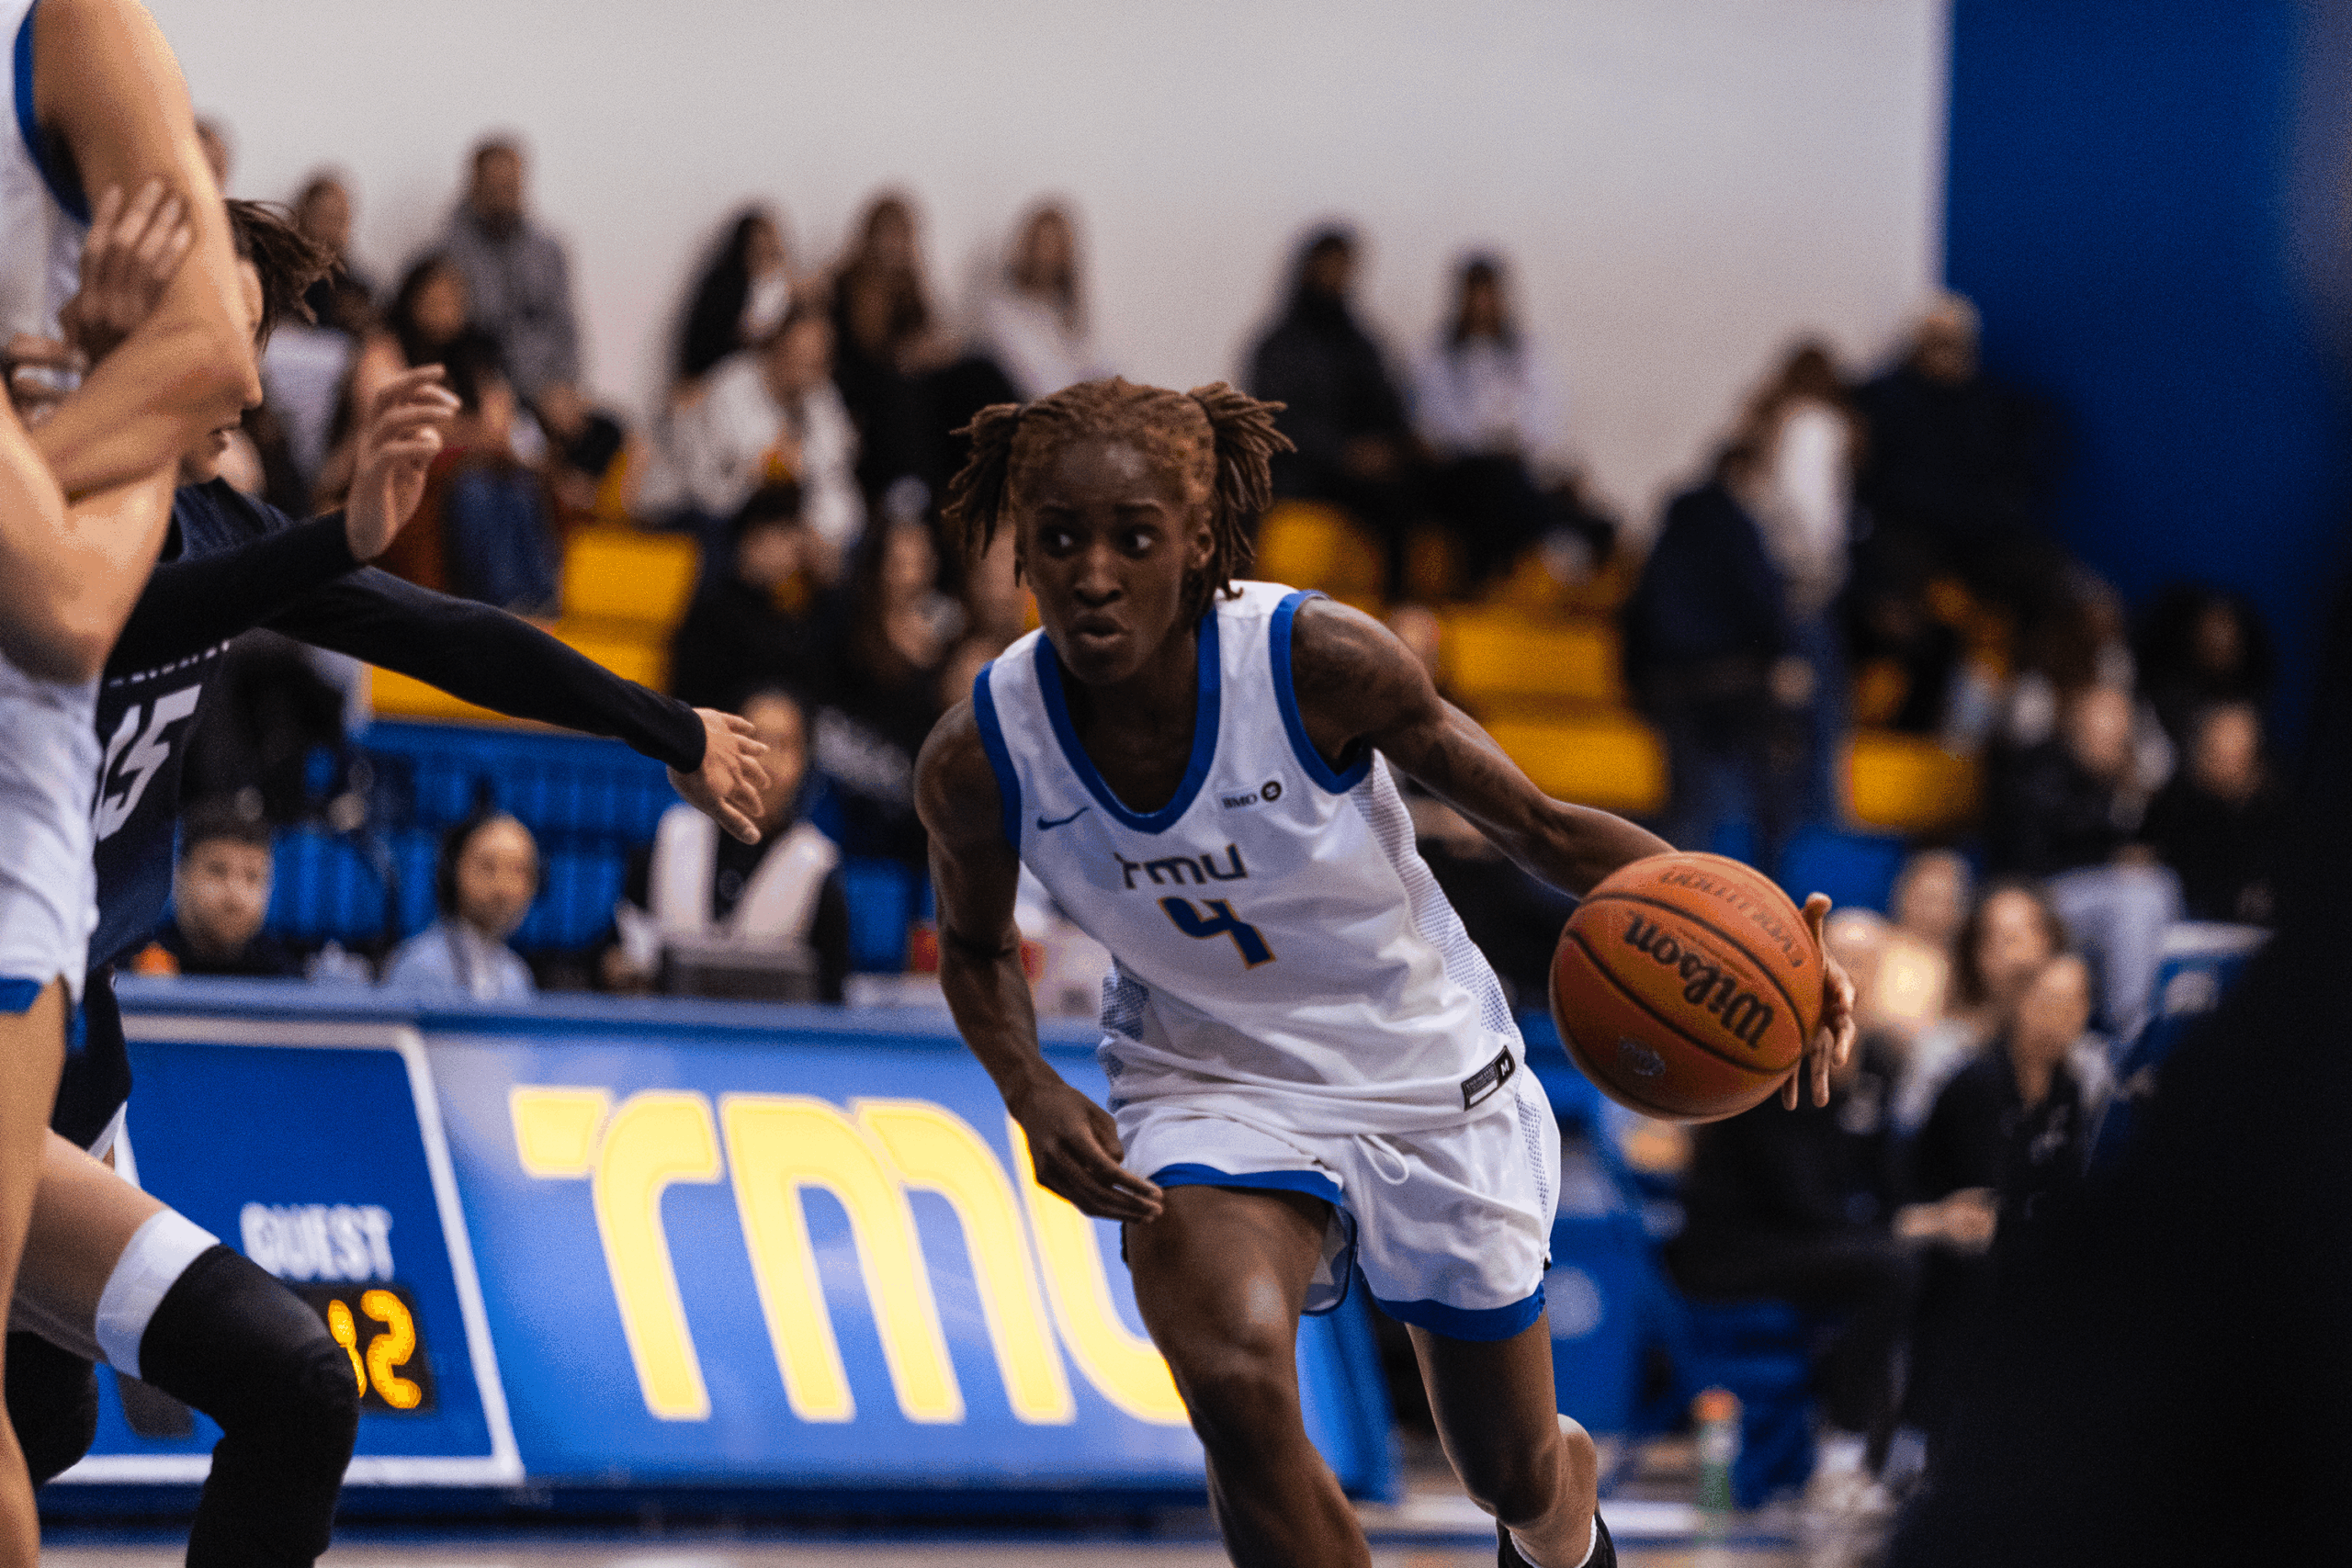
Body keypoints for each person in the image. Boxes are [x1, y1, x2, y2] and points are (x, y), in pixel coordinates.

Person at [916, 375, 1858, 1567]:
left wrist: (1772, 944)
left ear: (1198, 540)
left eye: (1133, 538)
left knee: (1506, 1470)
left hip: (1421, 1059)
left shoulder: (1315, 659)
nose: (1093, 572)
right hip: (1207, 1076)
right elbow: (978, 944)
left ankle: (1556, 1496)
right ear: (1021, 549)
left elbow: (1542, 826)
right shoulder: (980, 752)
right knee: (1229, 1368)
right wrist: (1033, 1090)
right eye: (1059, 540)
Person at [1, 197, 768, 1568]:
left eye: (254, 338)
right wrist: (335, 542)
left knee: (48, 1430)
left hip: (72, 1036)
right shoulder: (33, 516)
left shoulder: (216, 518)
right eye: (221, 338)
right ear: (124, 335)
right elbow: (123, 616)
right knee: (289, 1385)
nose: (248, 379)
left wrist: (673, 730)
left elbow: (444, 633)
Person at [1902, 953, 2094, 1450]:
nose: (2064, 1016)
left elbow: (2064, 1190)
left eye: (2077, 1003)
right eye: (2052, 1001)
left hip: (2017, 1234)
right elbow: (1979, 1198)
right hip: (1933, 1228)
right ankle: (1925, 1440)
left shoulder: (2067, 1089)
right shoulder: (1980, 1082)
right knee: (1986, 1266)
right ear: (2021, 1004)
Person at [1622, 441, 1816, 875]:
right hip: (1735, 682)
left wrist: (1637, 683)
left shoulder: (1671, 529)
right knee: (1775, 783)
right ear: (1743, 471)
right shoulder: (1739, 526)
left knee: (1687, 804)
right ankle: (1772, 885)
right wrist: (1784, 652)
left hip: (1668, 685)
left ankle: (1671, 890)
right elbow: (1761, 599)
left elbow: (1637, 611)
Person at [610, 686, 850, 1001]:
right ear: (724, 746)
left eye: (784, 745)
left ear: (805, 762)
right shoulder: (670, 837)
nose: (767, 760)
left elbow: (831, 997)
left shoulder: (818, 865)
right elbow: (615, 948)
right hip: (664, 1038)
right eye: (754, 740)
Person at [1988, 683, 2182, 1035]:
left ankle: (2166, 1022)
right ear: (2077, 721)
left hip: (2090, 901)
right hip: (2032, 898)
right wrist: (2111, 853)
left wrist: (2131, 799)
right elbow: (2032, 858)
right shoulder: (2039, 766)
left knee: (2162, 886)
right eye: (2103, 721)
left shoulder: (2117, 778)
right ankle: (2131, 1034)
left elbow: (2153, 845)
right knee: (2138, 899)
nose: (2113, 733)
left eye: (2120, 727)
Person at [1246, 226, 1424, 597]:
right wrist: (1344, 454)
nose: (1337, 277)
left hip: (1359, 472)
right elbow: (1277, 420)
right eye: (1330, 266)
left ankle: (1407, 615)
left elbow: (1387, 403)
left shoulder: (1360, 342)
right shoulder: (1279, 344)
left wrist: (1397, 447)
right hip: (1301, 470)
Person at [659, 301, 863, 562]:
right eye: (797, 354)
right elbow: (736, 474)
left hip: (795, 523)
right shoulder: (733, 382)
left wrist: (823, 535)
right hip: (722, 510)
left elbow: (833, 469)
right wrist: (786, 466)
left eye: (815, 361)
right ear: (778, 345)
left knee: (851, 550)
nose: (804, 368)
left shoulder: (823, 397)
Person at [1411, 254, 1562, 592]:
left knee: (1517, 483)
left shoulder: (1527, 353)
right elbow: (1432, 420)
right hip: (1458, 471)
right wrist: (1482, 442)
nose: (1481, 305)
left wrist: (1515, 441)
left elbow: (1545, 412)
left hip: (1513, 465)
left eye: (1488, 296)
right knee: (1491, 487)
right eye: (1474, 296)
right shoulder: (1435, 354)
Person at [1893, 877, 2068, 1134]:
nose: (2022, 956)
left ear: (2053, 945)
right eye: (2005, 940)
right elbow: (1907, 1144)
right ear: (1977, 955)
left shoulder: (2084, 1061)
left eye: (2033, 934)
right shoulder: (1942, 1054)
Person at [435, 137, 580, 412]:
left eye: (510, 185)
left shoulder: (549, 252)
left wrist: (565, 385)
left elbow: (566, 328)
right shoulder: (447, 255)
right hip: (477, 397)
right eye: (495, 185)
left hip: (546, 392)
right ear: (475, 185)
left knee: (618, 441)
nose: (504, 194)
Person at [667, 481, 830, 712]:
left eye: (798, 535)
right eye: (784, 532)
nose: (796, 547)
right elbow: (693, 697)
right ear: (753, 535)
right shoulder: (711, 614)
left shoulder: (790, 618)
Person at [2137, 698, 2281, 925]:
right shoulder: (2179, 798)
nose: (2228, 747)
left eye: (2237, 737)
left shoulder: (2275, 804)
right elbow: (2144, 854)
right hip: (2186, 919)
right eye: (2221, 736)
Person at [128, 798, 297, 977]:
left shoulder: (290, 980)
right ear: (180, 875)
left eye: (252, 876)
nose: (236, 894)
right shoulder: (133, 969)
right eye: (217, 871)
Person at [382, 811, 540, 998]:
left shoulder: (516, 976)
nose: (503, 888)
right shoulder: (420, 965)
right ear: (452, 873)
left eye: (520, 871)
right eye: (487, 867)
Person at [977, 201, 1113, 400]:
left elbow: (1100, 366)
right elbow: (1031, 380)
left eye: (1055, 246)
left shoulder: (1068, 316)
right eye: (1039, 244)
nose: (1045, 256)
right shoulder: (999, 313)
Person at [675, 206, 792, 387]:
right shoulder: (725, 285)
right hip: (715, 376)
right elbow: (740, 335)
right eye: (761, 241)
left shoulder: (779, 282)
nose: (768, 246)